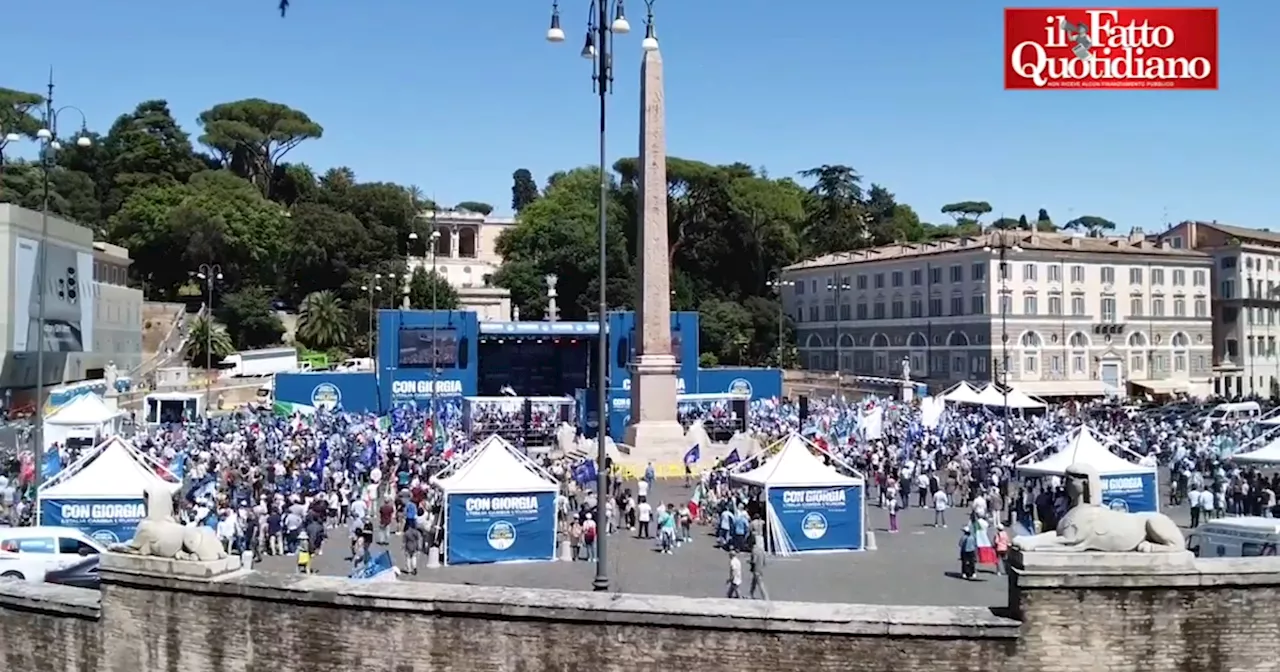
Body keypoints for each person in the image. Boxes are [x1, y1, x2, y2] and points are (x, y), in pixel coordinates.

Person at [747, 535, 768, 600]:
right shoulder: (761, 550)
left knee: (760, 584)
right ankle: (751, 594)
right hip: (760, 569)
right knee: (753, 583)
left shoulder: (754, 550)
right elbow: (765, 562)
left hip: (756, 569)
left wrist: (749, 561)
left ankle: (765, 597)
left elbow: (754, 561)